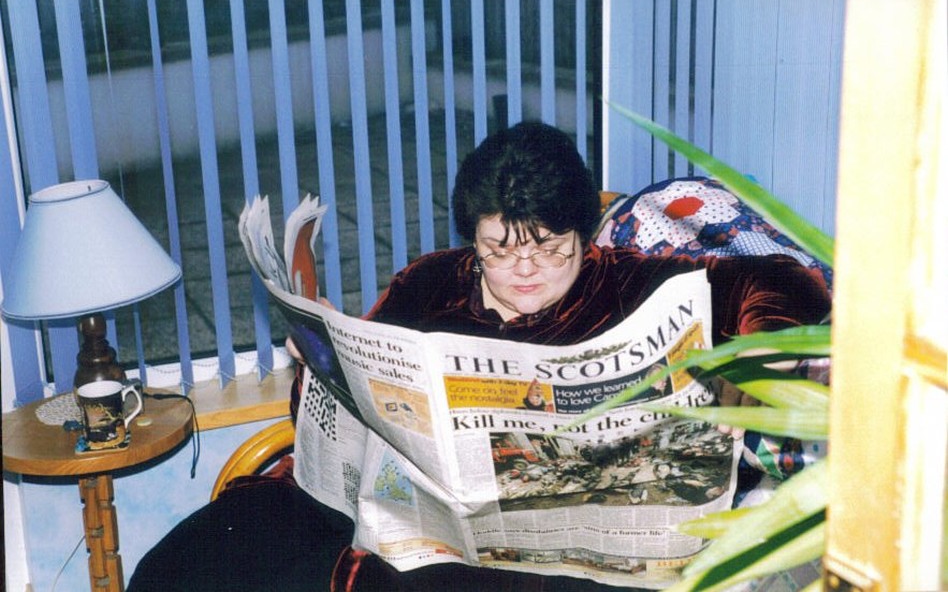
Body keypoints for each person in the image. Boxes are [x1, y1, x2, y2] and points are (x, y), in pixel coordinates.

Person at [129, 122, 830, 592]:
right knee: (187, 566)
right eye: (498, 249)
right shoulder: (430, 282)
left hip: (548, 553)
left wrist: (765, 345)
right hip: (397, 514)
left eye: (549, 248)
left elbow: (782, 281)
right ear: (473, 238)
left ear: (583, 234)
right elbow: (347, 416)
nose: (524, 269)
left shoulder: (628, 282)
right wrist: (321, 367)